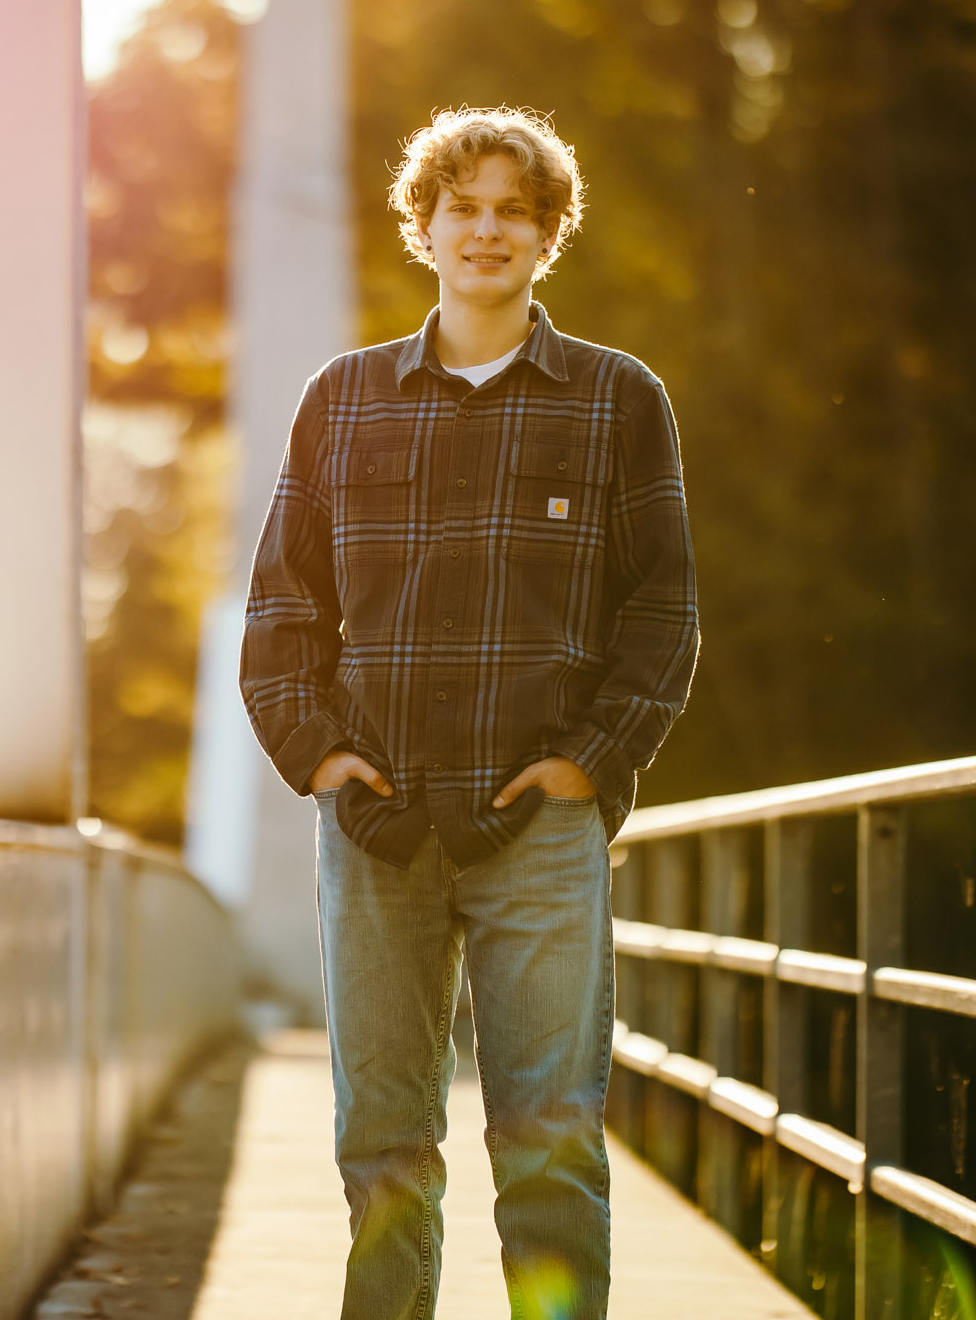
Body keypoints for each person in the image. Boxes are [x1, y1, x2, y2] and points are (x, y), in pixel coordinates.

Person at [239, 107, 699, 1319]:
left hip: (540, 831)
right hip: (377, 826)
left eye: (513, 209)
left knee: (549, 1140)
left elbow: (664, 610)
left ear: (548, 234)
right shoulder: (341, 398)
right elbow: (283, 606)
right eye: (464, 206)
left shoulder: (616, 397)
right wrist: (326, 759)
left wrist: (589, 766)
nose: (486, 229)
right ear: (425, 225)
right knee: (382, 1143)